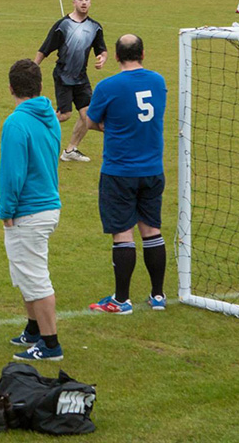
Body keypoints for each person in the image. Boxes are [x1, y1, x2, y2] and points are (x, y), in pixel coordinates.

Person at [85, 34, 167, 314]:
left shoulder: (108, 86)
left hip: (120, 170)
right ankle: (158, 296)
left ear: (117, 57)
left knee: (123, 234)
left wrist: (109, 126)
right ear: (143, 53)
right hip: (153, 168)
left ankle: (121, 300)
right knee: (152, 231)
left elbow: (90, 121)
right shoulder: (158, 81)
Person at [0, 59, 63, 361]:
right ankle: (34, 329)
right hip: (48, 204)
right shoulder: (48, 114)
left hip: (29, 210)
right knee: (23, 271)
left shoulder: (15, 123)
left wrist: (7, 209)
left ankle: (50, 344)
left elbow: (14, 174)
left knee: (35, 277)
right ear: (39, 87)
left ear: (11, 88)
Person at [34, 0, 107, 163]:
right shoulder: (62, 25)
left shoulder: (95, 27)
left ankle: (70, 150)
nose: (83, 2)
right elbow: (45, 48)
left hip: (81, 78)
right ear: (73, 2)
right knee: (64, 115)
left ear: (90, 2)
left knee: (87, 115)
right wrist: (33, 68)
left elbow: (102, 49)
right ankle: (34, 121)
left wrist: (102, 58)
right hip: (63, 75)